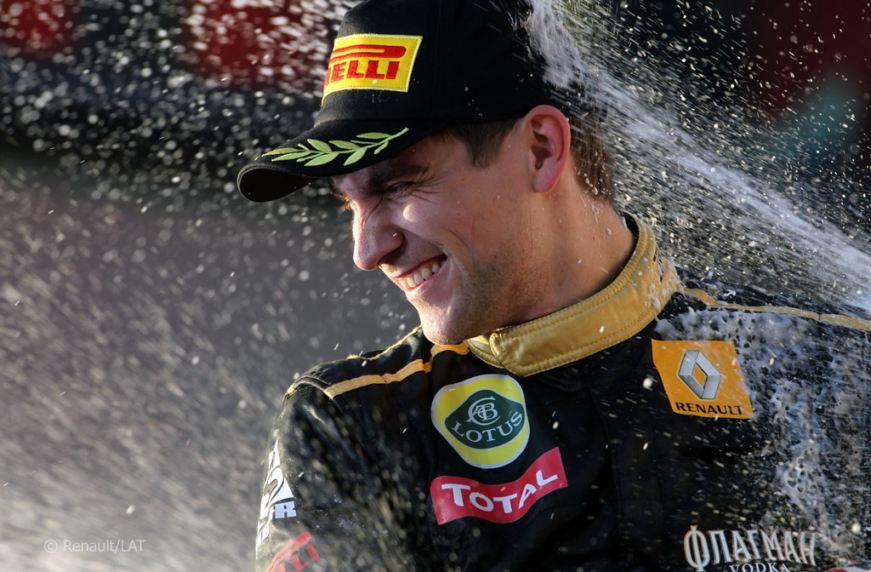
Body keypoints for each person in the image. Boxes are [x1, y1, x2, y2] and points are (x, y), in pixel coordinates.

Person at [236, 0, 871, 571]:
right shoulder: (353, 422)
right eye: (349, 203)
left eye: (398, 185)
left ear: (542, 148)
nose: (367, 250)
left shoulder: (834, 364)